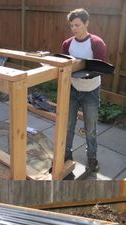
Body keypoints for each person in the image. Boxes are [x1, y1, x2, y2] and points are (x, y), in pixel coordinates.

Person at [62, 8, 107, 172]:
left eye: (77, 25)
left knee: (90, 127)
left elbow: (100, 68)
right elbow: (65, 67)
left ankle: (92, 158)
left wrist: (85, 74)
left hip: (91, 90)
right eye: (71, 25)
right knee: (68, 126)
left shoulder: (96, 43)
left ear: (86, 23)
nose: (74, 29)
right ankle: (66, 155)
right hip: (72, 90)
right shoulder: (67, 44)